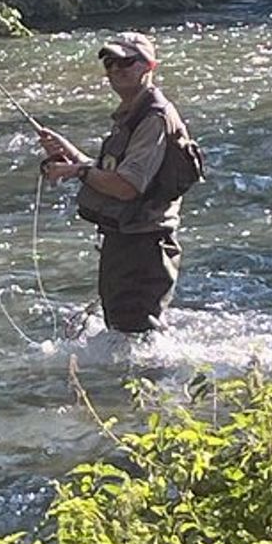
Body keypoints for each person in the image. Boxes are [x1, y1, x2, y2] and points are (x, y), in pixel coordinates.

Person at [36, 31, 190, 334]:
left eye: (126, 62)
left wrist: (76, 171)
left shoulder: (153, 118)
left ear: (149, 66)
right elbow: (110, 173)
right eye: (109, 63)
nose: (116, 70)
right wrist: (70, 153)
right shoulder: (133, 114)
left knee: (134, 338)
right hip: (127, 241)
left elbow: (126, 187)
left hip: (144, 247)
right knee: (126, 333)